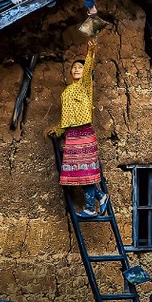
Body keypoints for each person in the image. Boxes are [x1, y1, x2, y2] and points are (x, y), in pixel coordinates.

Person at [47, 39, 107, 218]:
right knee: (79, 172)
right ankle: (101, 196)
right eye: (73, 67)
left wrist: (91, 50)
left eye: (79, 67)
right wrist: (58, 130)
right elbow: (67, 118)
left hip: (84, 132)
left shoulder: (84, 86)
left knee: (83, 171)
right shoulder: (67, 91)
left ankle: (90, 208)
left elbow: (88, 67)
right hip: (72, 135)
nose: (76, 69)